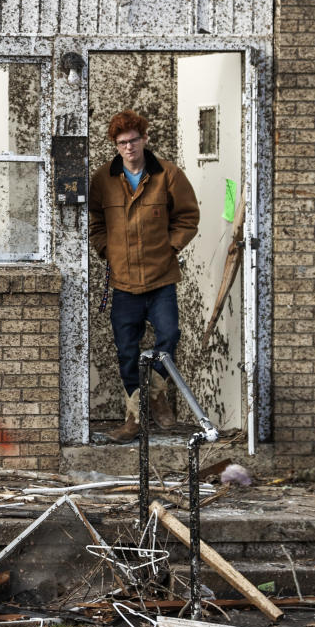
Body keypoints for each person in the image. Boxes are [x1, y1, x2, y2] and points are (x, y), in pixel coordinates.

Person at [88, 109, 200, 443]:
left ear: (145, 139)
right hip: (123, 282)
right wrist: (107, 250)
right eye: (122, 142)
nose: (129, 147)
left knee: (168, 337)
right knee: (126, 351)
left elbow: (188, 217)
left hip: (161, 277)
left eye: (134, 140)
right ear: (116, 145)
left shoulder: (168, 175)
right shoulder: (103, 180)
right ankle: (135, 417)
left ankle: (157, 392)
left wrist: (171, 248)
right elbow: (94, 221)